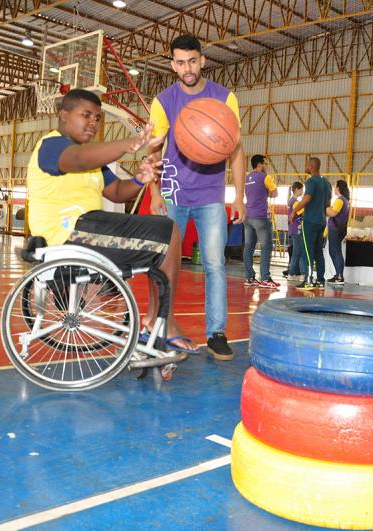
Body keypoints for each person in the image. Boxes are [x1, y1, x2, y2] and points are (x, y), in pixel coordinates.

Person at [27, 88, 197, 355]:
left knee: (165, 230)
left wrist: (140, 179)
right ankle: (160, 322)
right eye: (86, 115)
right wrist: (129, 144)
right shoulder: (52, 145)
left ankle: (156, 321)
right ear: (64, 116)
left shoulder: (91, 160)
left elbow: (117, 192)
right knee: (167, 231)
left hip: (87, 229)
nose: (93, 123)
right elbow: (79, 159)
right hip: (68, 232)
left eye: (97, 118)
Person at [147, 34, 246, 362]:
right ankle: (162, 327)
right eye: (180, 62)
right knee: (165, 265)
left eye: (192, 61)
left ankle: (216, 333)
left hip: (211, 196)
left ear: (203, 60)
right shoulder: (164, 101)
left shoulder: (224, 98)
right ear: (172, 64)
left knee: (215, 265)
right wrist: (154, 192)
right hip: (173, 194)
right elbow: (153, 149)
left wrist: (239, 197)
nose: (187, 68)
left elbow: (236, 150)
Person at [289, 157, 331, 290]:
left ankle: (308, 280)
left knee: (307, 251)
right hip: (321, 221)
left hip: (310, 221)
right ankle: (320, 281)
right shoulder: (326, 182)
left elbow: (307, 198)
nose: (305, 166)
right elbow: (328, 203)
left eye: (307, 165)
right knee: (319, 251)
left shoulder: (311, 181)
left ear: (312, 166)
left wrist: (294, 211)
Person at [243, 154, 278, 288]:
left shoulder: (247, 178)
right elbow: (275, 194)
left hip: (248, 216)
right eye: (265, 164)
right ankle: (265, 278)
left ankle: (249, 277)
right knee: (266, 247)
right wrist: (266, 192)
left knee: (248, 247)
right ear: (259, 164)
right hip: (261, 217)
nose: (266, 166)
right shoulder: (266, 177)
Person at [325, 179, 350, 285]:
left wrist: (325, 207)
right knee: (334, 251)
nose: (334, 189)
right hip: (339, 229)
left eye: (335, 186)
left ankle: (339, 275)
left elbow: (333, 213)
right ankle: (337, 274)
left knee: (335, 252)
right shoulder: (345, 200)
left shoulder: (340, 200)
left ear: (338, 188)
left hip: (335, 229)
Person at [285, 181, 304, 280]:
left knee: (296, 251)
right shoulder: (295, 202)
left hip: (292, 229)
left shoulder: (291, 200)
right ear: (297, 189)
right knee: (297, 251)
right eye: (301, 189)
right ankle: (292, 273)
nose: (303, 191)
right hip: (296, 229)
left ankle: (295, 272)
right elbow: (302, 213)